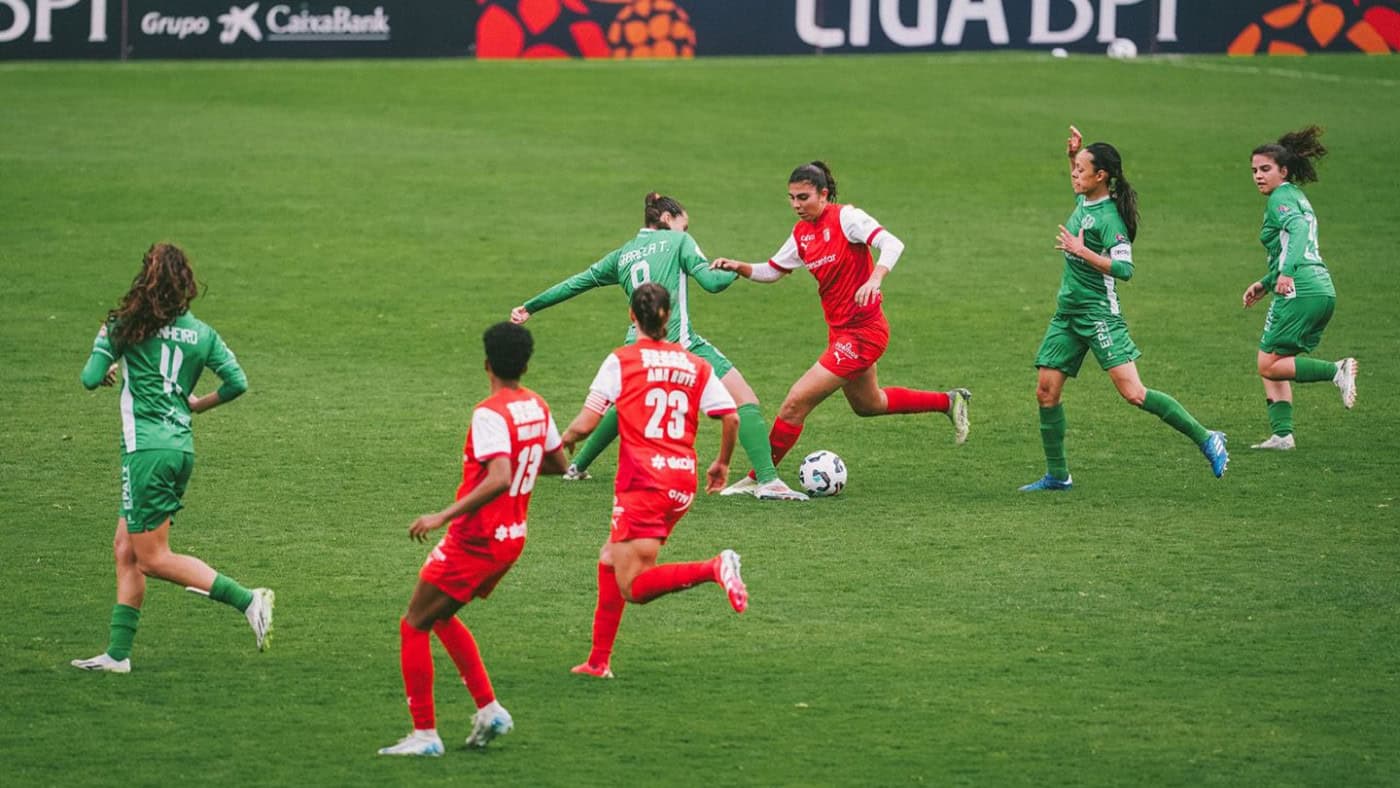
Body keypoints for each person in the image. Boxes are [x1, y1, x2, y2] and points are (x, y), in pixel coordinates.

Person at [511, 193, 807, 500]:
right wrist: (735, 269)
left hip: (636, 347)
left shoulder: (623, 254)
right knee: (744, 400)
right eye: (684, 224)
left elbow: (576, 282)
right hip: (680, 343)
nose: (686, 230)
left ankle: (577, 466)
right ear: (667, 219)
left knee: (624, 402)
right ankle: (769, 481)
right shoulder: (679, 242)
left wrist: (530, 307)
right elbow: (712, 284)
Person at [709, 161, 971, 493]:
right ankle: (950, 401)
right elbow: (774, 270)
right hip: (842, 333)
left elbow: (893, 244)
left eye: (803, 197)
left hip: (864, 334)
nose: (796, 205)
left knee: (794, 403)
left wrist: (876, 279)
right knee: (868, 404)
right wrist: (740, 267)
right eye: (791, 198)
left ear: (824, 193)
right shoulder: (801, 234)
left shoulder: (847, 218)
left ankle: (762, 477)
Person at [71, 243, 271, 674]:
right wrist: (196, 406)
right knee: (125, 548)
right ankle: (117, 656)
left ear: (146, 279)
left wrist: (106, 358)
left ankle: (248, 599)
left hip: (146, 452)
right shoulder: (201, 333)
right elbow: (237, 382)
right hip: (179, 448)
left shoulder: (125, 326)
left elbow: (90, 378)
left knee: (152, 558)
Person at [379, 322, 569, 756]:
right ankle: (489, 709)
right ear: (525, 364)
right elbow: (558, 463)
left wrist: (442, 515)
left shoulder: (490, 412)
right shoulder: (537, 405)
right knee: (440, 617)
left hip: (476, 539)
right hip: (512, 538)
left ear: (487, 364)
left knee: (414, 624)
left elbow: (500, 476)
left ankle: (425, 735)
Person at [1019, 127, 1228, 492]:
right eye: (1075, 168)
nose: (1074, 174)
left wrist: (1080, 251)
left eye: (1081, 169)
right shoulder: (1087, 198)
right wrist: (1073, 154)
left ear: (1101, 177)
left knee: (1133, 392)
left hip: (1100, 315)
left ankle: (1207, 437)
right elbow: (1080, 185)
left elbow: (1125, 270)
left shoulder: (1111, 220)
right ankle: (1057, 475)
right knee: (1046, 392)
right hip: (1068, 313)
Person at [562, 284, 749, 679]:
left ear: (633, 317)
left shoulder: (622, 360)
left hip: (643, 484)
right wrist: (721, 463)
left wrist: (555, 444)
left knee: (633, 586)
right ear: (668, 318)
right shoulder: (695, 365)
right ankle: (598, 661)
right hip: (681, 481)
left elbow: (586, 424)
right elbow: (731, 416)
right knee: (610, 557)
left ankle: (715, 567)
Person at [1241, 125, 1357, 450]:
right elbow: (1290, 242)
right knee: (1273, 359)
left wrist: (1286, 274)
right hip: (1320, 287)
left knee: (1268, 364)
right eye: (1254, 170)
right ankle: (1282, 435)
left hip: (1300, 287)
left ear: (1284, 171)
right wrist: (1266, 283)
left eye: (1265, 169)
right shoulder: (1295, 196)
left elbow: (1296, 230)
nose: (1258, 176)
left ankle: (1338, 370)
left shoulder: (1281, 199)